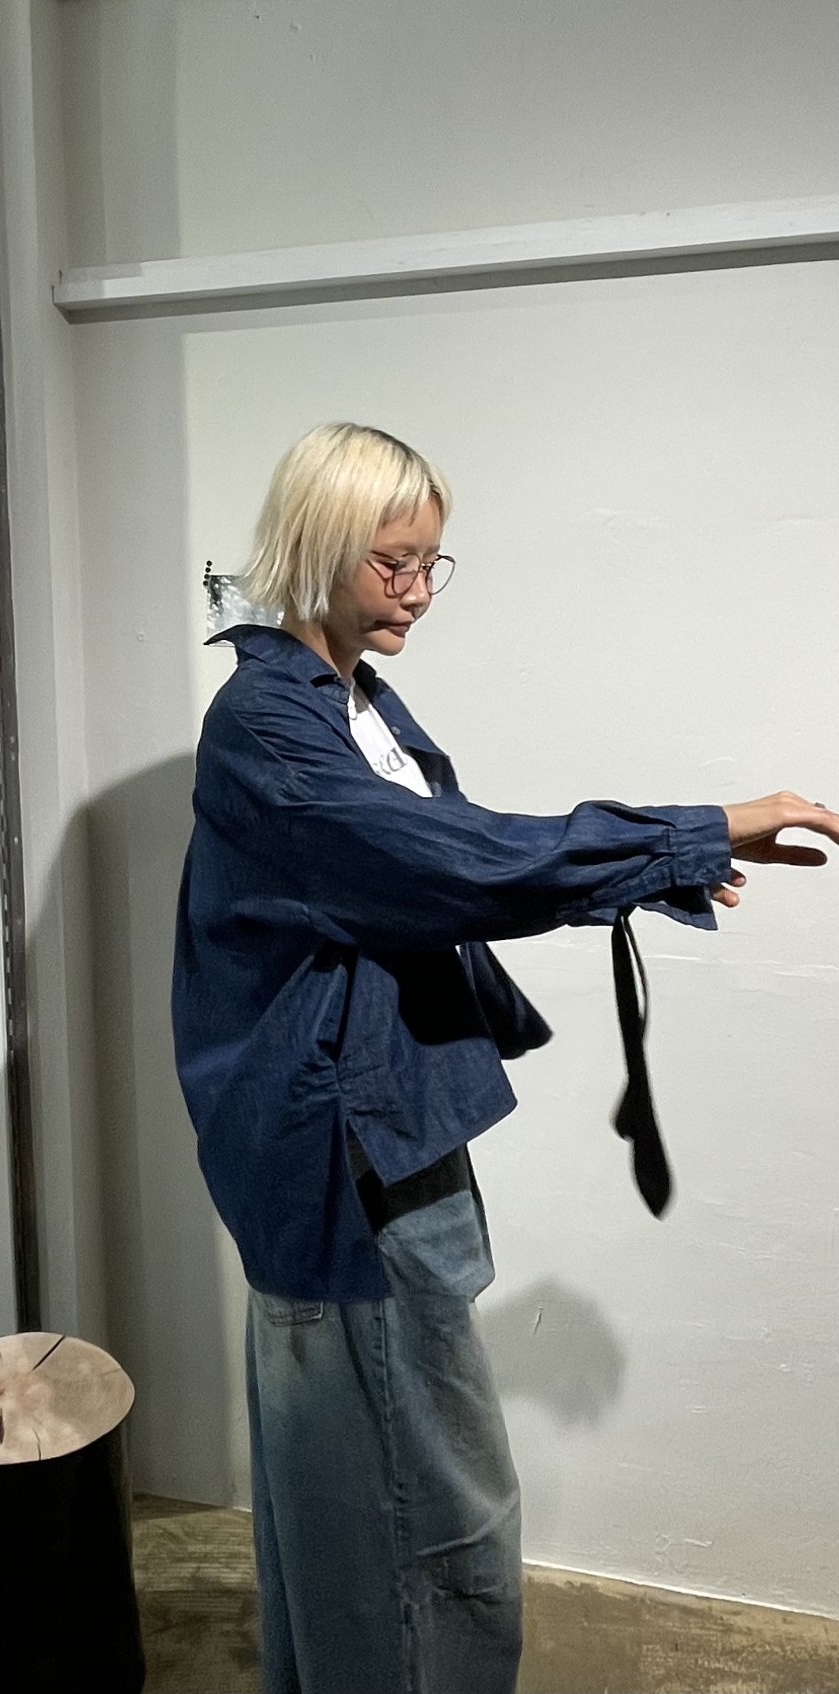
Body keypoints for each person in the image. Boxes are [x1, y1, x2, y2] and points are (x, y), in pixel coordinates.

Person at [169, 421, 837, 1694]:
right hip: (343, 1151)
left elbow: (456, 849)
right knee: (417, 1510)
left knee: (349, 1489)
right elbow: (454, 864)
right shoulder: (267, 724)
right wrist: (692, 829)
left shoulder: (349, 697)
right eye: (392, 561)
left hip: (379, 1120)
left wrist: (657, 863)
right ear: (318, 545)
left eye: (431, 562)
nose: (419, 588)